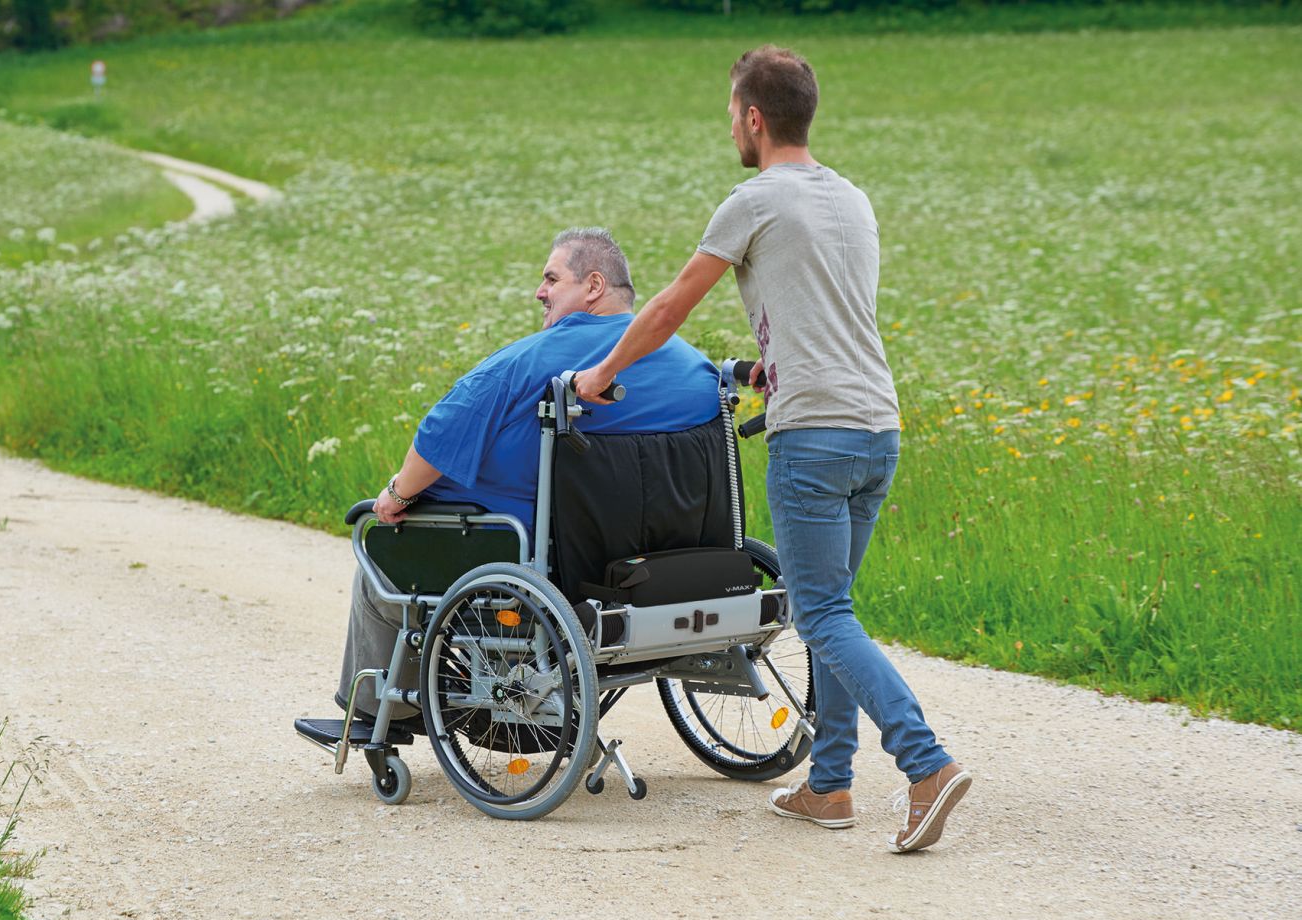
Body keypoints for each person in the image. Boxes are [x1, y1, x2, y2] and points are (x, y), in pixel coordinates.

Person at [574, 47, 971, 854]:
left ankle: (925, 765)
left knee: (821, 613)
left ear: (754, 118)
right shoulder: (851, 198)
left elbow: (669, 306)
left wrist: (601, 372)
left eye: (731, 112)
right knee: (836, 612)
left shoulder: (754, 200)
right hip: (877, 426)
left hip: (815, 435)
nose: (730, 125)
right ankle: (829, 785)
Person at [336, 227, 721, 725]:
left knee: (379, 555)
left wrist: (392, 496)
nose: (539, 291)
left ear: (594, 286)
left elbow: (436, 440)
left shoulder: (526, 363)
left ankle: (375, 717)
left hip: (537, 557)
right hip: (660, 558)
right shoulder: (695, 368)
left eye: (551, 278)